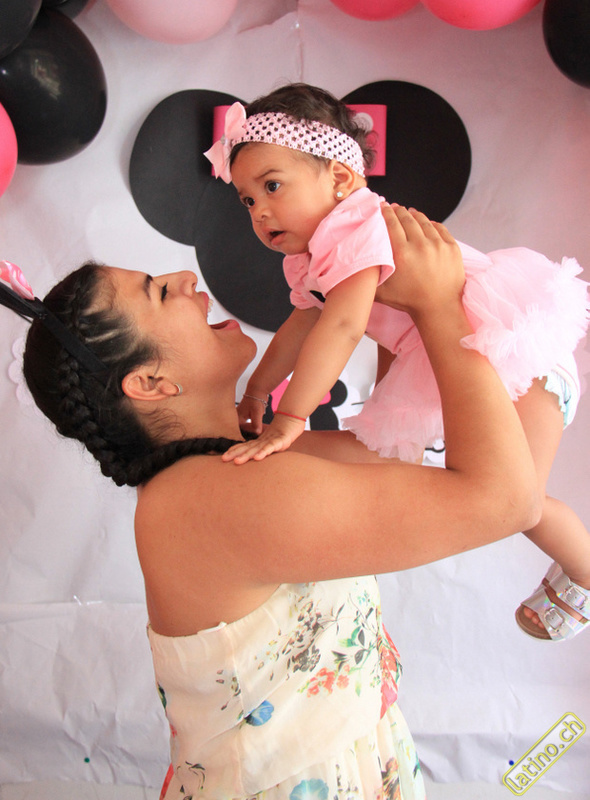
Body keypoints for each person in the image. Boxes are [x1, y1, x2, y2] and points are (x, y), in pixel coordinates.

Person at [1, 206, 540, 799]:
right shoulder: (218, 498)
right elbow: (504, 500)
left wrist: (401, 315)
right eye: (159, 292)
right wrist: (438, 309)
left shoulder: (230, 469)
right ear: (150, 383)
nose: (185, 279)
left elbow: (395, 453)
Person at [204, 82, 590, 644]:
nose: (259, 210)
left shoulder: (358, 227)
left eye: (272, 186)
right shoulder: (314, 254)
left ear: (340, 178)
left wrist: (290, 418)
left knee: (521, 501)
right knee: (466, 483)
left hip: (513, 353)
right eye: (247, 200)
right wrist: (258, 389)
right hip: (461, 359)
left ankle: (586, 572)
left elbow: (343, 325)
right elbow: (301, 325)